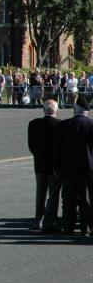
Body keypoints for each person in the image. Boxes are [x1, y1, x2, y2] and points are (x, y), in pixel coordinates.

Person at [54, 96, 93, 235]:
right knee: (86, 199)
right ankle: (86, 227)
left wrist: (57, 167)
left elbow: (57, 149)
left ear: (75, 110)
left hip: (68, 168)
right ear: (86, 111)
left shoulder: (63, 125)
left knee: (68, 199)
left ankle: (68, 226)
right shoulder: (91, 124)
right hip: (87, 167)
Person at [27, 100, 61, 232]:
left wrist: (38, 156)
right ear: (56, 110)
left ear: (43, 110)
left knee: (40, 194)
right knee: (53, 195)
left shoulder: (34, 124)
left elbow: (31, 145)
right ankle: (49, 222)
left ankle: (37, 220)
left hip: (39, 163)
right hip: (55, 165)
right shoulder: (61, 124)